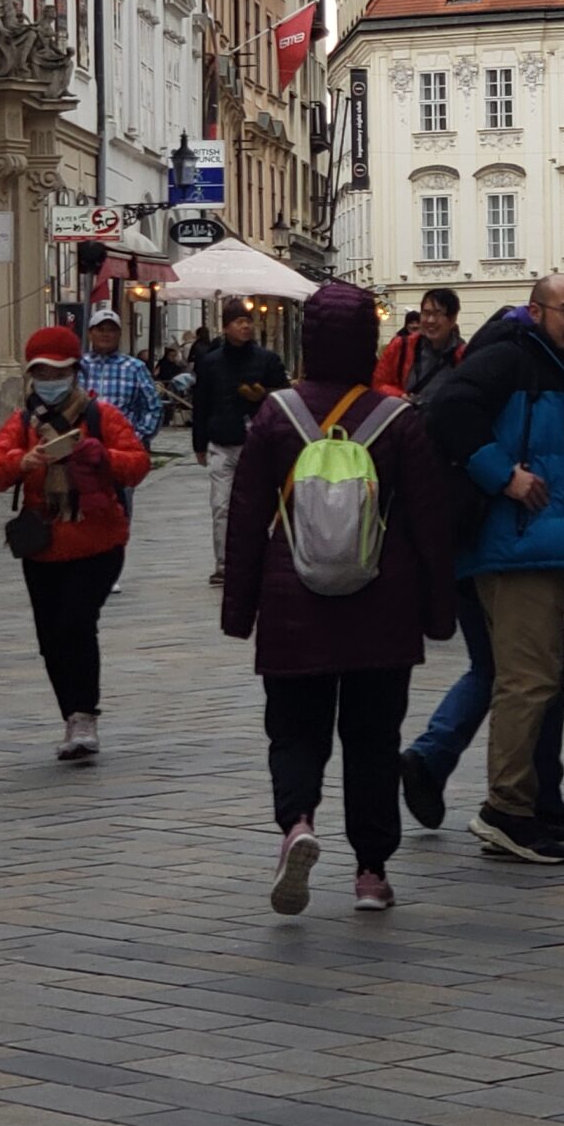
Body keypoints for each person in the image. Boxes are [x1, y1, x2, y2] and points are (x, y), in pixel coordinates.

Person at [221, 282, 456, 914]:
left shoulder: (276, 415)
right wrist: (438, 613)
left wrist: (240, 611)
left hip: (293, 602)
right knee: (374, 738)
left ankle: (297, 822)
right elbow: (431, 521)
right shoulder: (399, 420)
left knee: (294, 730)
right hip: (383, 603)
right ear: (366, 343)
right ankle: (372, 871)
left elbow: (245, 518)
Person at [425, 274, 564, 865]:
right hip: (514, 546)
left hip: (541, 543)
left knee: (536, 675)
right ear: (536, 312)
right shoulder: (511, 357)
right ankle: (506, 810)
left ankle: (532, 801)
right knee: (527, 680)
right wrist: (503, 475)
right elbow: (448, 412)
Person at [0, 324, 151, 760]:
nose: (50, 381)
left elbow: (136, 465)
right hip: (43, 545)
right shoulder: (22, 423)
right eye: (42, 372)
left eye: (58, 372)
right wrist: (24, 460)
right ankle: (70, 715)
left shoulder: (101, 416)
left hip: (97, 542)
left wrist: (101, 455)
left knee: (76, 623)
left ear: (75, 372)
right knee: (50, 636)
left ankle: (84, 715)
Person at [193, 298, 289, 586]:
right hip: (222, 442)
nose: (246, 326)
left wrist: (264, 395)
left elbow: (285, 397)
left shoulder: (267, 360)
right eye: (239, 321)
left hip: (258, 445)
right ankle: (224, 563)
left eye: (248, 320)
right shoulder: (211, 363)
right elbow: (201, 404)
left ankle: (258, 558)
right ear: (225, 327)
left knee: (259, 504)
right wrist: (199, 443)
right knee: (221, 505)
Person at [81, 304, 162, 589]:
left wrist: (137, 439)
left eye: (111, 330)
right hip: (83, 451)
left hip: (119, 452)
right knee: (85, 506)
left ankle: (110, 568)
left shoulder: (134, 367)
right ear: (91, 332)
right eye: (100, 329)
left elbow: (152, 407)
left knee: (119, 508)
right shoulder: (79, 366)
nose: (105, 335)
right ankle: (88, 562)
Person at [374, 288, 465, 398]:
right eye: (426, 313)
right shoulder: (400, 347)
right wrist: (400, 396)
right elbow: (378, 384)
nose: (430, 320)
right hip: (406, 414)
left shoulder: (464, 355)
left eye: (437, 314)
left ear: (452, 319)